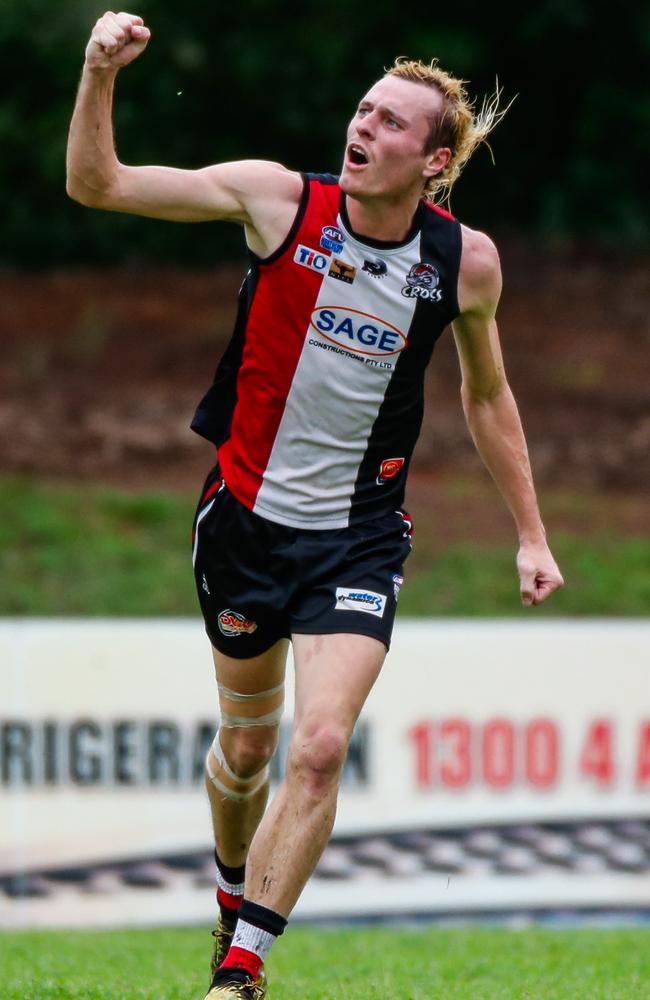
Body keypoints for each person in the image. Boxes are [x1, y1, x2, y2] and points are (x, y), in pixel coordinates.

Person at [67, 11, 564, 999]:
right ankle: (227, 890)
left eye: (390, 123)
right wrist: (97, 73)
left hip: (358, 539)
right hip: (245, 526)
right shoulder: (277, 203)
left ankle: (240, 968)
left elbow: (485, 393)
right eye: (363, 111)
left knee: (322, 744)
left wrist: (529, 533)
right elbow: (99, 184)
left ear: (432, 160)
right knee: (246, 749)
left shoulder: (463, 263)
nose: (364, 127)